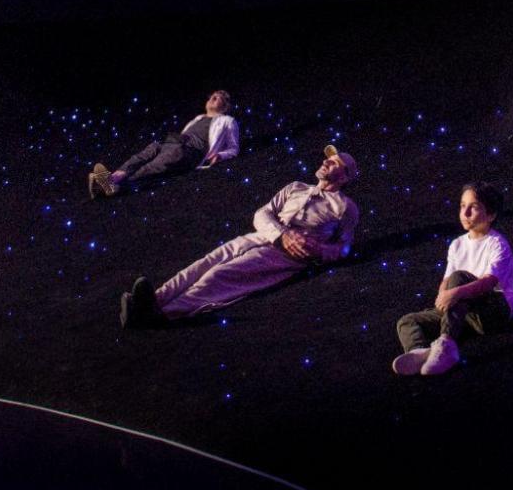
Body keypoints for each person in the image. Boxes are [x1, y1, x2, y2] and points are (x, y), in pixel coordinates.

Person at [119, 145, 360, 327]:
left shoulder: (345, 207)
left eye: (334, 162)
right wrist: (282, 234)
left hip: (286, 256)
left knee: (221, 275)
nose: (326, 161)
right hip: (261, 236)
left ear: (345, 176)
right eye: (327, 158)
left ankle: (162, 315)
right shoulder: (296, 187)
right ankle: (153, 301)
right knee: (204, 263)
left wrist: (318, 251)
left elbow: (344, 248)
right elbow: (262, 213)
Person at [393, 181, 513, 377]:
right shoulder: (457, 244)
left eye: (474, 207)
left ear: (491, 215)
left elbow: (488, 282)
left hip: (493, 310)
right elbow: (446, 280)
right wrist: (443, 298)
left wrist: (454, 293)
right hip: (464, 312)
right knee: (407, 321)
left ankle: (447, 344)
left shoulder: (497, 243)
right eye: (463, 206)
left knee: (459, 278)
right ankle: (419, 352)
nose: (465, 212)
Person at [90, 90, 240, 197]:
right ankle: (113, 178)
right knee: (144, 154)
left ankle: (118, 186)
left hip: (190, 149)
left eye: (218, 97)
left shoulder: (227, 121)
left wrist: (220, 156)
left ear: (225, 106)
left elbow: (234, 148)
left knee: (154, 166)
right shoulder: (198, 118)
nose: (213, 97)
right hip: (174, 142)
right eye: (212, 96)